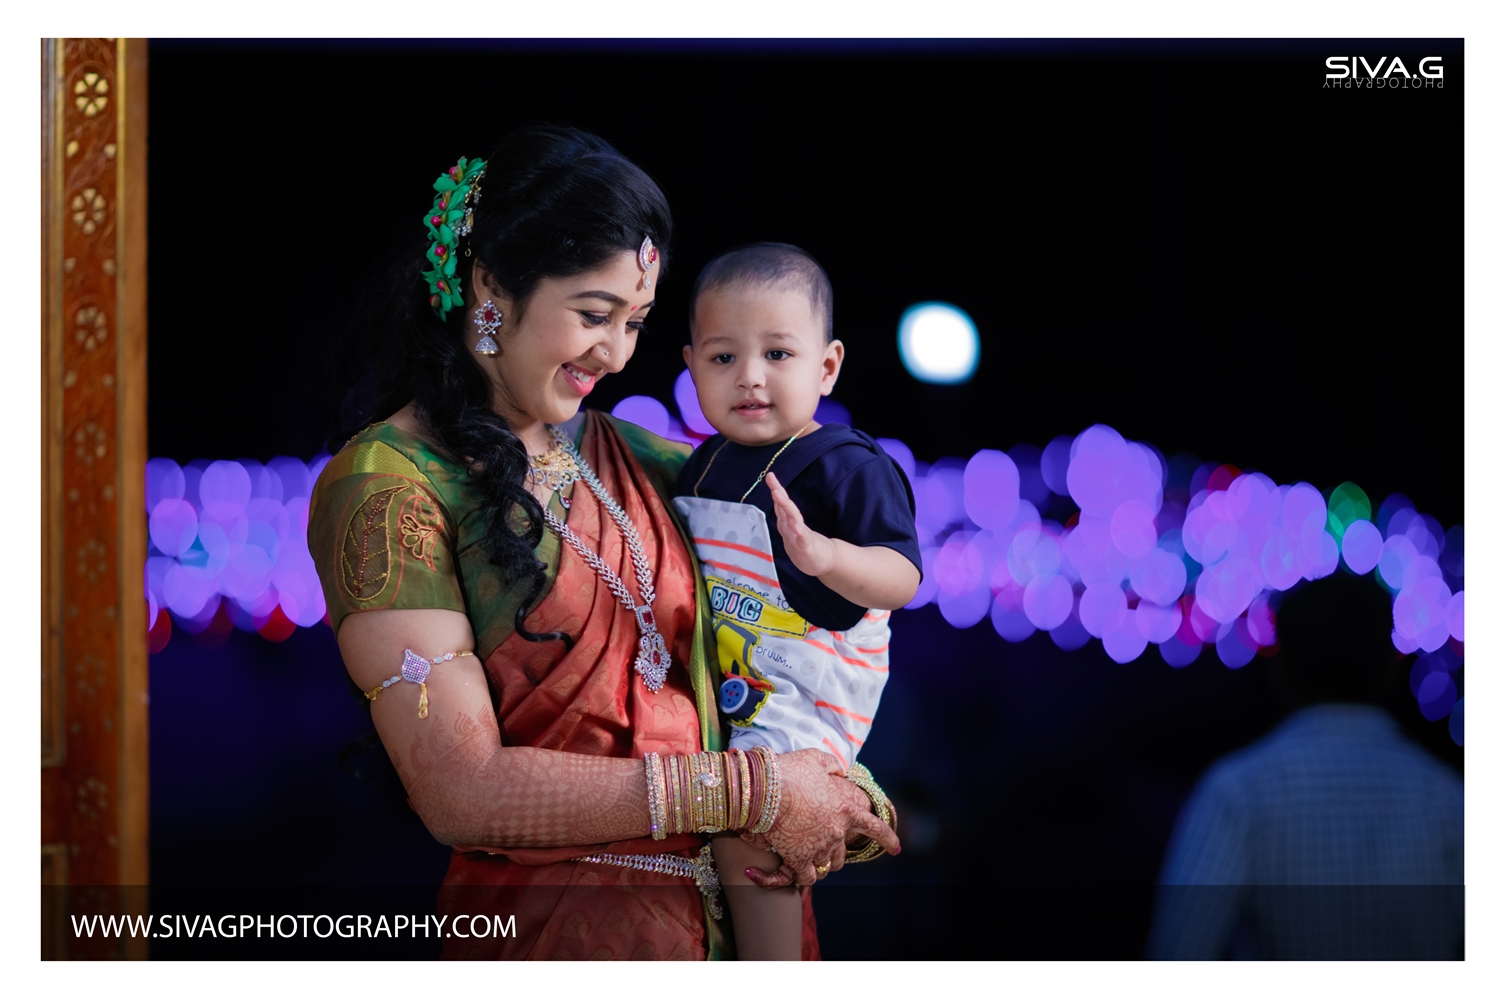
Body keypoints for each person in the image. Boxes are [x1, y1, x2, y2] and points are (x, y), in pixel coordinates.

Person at [308, 126, 898, 961]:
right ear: (490, 289)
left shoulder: (664, 466)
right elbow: (461, 790)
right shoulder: (389, 485)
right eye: (593, 316)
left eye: (637, 323)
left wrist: (830, 788)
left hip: (743, 922)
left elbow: (794, 646)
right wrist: (753, 790)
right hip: (561, 937)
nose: (615, 354)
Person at [674, 243, 922, 959]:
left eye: (778, 354)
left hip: (811, 680)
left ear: (827, 365)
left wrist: (827, 557)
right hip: (738, 672)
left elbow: (901, 577)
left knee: (754, 817)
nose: (750, 377)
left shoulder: (847, 465)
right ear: (691, 366)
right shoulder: (705, 463)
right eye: (723, 359)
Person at [1148, 571, 1464, 959]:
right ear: (1391, 669)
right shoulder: (1448, 799)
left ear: (1281, 670)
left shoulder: (1237, 794)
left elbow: (1178, 954)